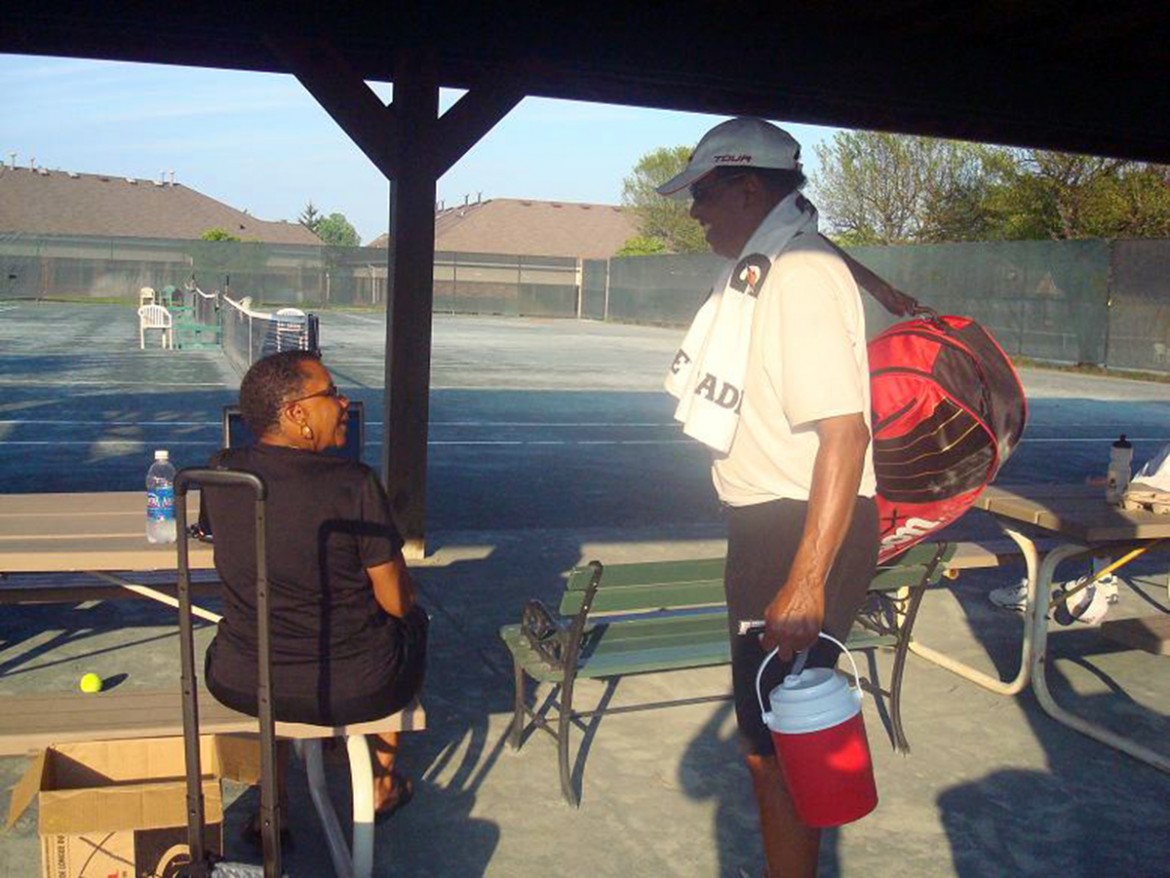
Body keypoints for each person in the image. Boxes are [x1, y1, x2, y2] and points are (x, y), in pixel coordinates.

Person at [658, 117, 879, 878]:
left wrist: (809, 576)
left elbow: (845, 435)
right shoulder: (778, 260)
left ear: (749, 188)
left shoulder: (799, 275)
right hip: (773, 523)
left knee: (780, 746)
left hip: (796, 525)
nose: (696, 212)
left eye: (706, 194)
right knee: (770, 741)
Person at [200, 349, 428, 834]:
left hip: (243, 680)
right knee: (412, 622)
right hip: (354, 688)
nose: (344, 403)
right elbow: (396, 602)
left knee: (273, 631)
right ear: (296, 413)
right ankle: (382, 784)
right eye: (331, 394)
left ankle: (273, 797)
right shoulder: (355, 484)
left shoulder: (220, 472)